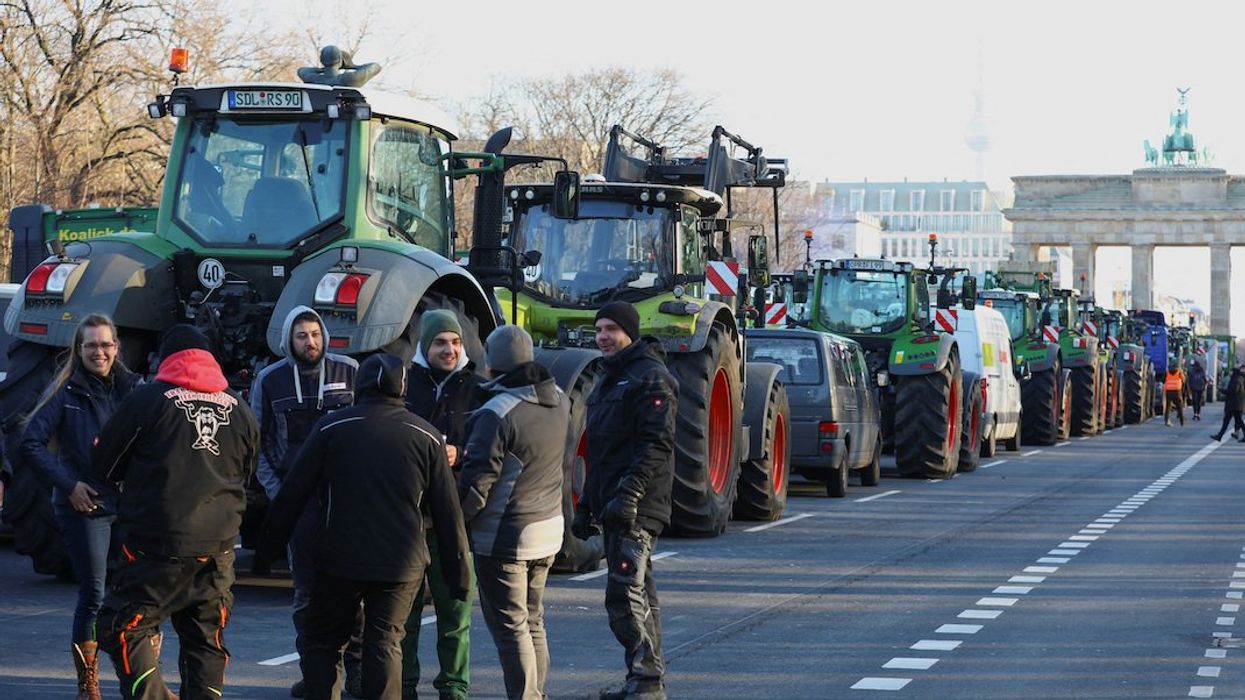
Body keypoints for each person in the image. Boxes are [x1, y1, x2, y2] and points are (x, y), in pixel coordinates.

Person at [255, 353, 471, 700]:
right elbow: (447, 513)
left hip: (339, 556)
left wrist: (266, 551)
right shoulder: (425, 435)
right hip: (401, 561)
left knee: (324, 640)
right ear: (402, 386)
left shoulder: (331, 427)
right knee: (385, 642)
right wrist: (459, 574)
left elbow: (293, 493)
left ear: (361, 385)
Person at [88, 325, 258, 700]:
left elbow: (104, 462)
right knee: (206, 639)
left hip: (156, 545)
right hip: (218, 548)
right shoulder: (240, 409)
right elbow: (247, 474)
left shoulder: (147, 400)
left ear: (165, 359)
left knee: (121, 627)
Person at [20, 314, 141, 699]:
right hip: (85, 508)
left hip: (128, 506)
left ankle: (142, 681)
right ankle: (88, 684)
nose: (99, 352)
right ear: (79, 349)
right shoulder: (65, 393)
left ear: (117, 347)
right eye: (91, 345)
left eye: (106, 344)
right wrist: (69, 486)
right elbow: (31, 441)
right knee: (94, 595)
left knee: (136, 594)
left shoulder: (134, 390)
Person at [250, 306, 361, 698]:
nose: (310, 342)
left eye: (315, 334)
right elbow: (256, 445)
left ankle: (357, 674)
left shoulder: (350, 371)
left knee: (354, 585)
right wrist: (280, 495)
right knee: (306, 592)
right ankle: (314, 672)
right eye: (301, 336)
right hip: (299, 505)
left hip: (347, 500)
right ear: (288, 341)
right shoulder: (269, 380)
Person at [574, 301, 677, 700]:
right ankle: (645, 681)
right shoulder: (609, 378)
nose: (603, 336)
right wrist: (587, 505)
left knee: (623, 596)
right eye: (599, 329)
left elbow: (657, 444)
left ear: (629, 332)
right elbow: (600, 451)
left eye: (611, 329)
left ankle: (646, 682)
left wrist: (629, 495)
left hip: (637, 508)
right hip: (614, 505)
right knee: (638, 593)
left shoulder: (650, 378)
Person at [459, 325, 567, 700]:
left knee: (511, 627)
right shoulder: (560, 399)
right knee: (533, 621)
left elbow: (477, 485)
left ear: (491, 362)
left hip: (505, 537)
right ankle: (537, 693)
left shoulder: (497, 412)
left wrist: (453, 522)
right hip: (549, 528)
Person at [401, 310, 483, 700]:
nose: (449, 350)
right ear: (424, 346)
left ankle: (453, 688)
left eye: (455, 342)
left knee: (455, 612)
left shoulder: (479, 388)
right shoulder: (405, 387)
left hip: (455, 520)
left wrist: (461, 452)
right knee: (406, 615)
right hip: (410, 519)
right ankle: (403, 686)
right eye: (440, 343)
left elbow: (491, 447)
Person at [1212, 365, 1245, 442]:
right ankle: (1219, 436)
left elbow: (1233, 391)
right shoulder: (1238, 379)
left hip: (1234, 405)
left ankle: (1219, 436)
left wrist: (1222, 390)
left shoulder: (1236, 380)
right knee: (1235, 421)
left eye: (1231, 371)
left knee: (1228, 421)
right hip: (1236, 404)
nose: (1230, 372)